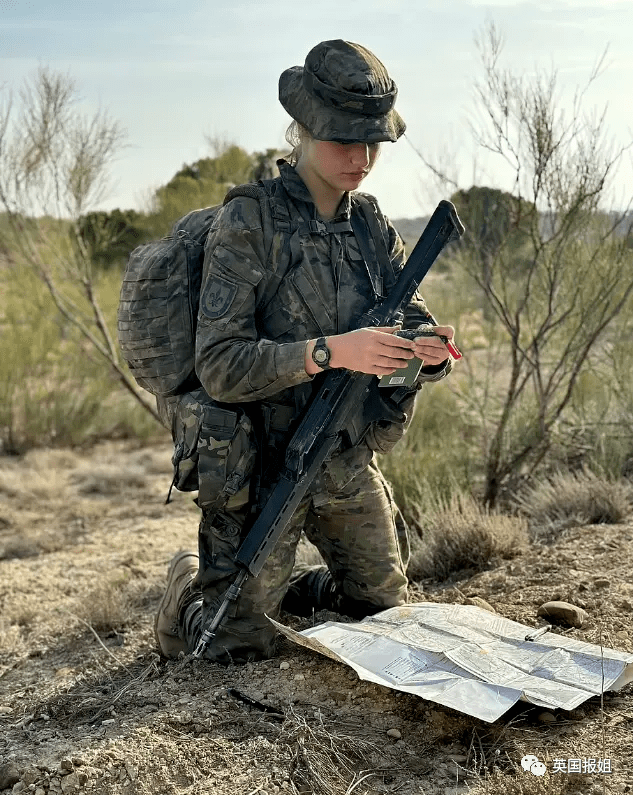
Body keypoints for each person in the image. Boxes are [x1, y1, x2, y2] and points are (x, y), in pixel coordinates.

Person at [155, 39, 456, 664]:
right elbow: (220, 365)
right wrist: (331, 351)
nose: (361, 157)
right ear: (302, 132)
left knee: (383, 617)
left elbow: (408, 322)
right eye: (343, 139)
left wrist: (426, 352)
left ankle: (303, 586)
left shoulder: (370, 223)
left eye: (372, 141)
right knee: (232, 648)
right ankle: (186, 592)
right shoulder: (249, 222)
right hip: (264, 463)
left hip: (343, 456)